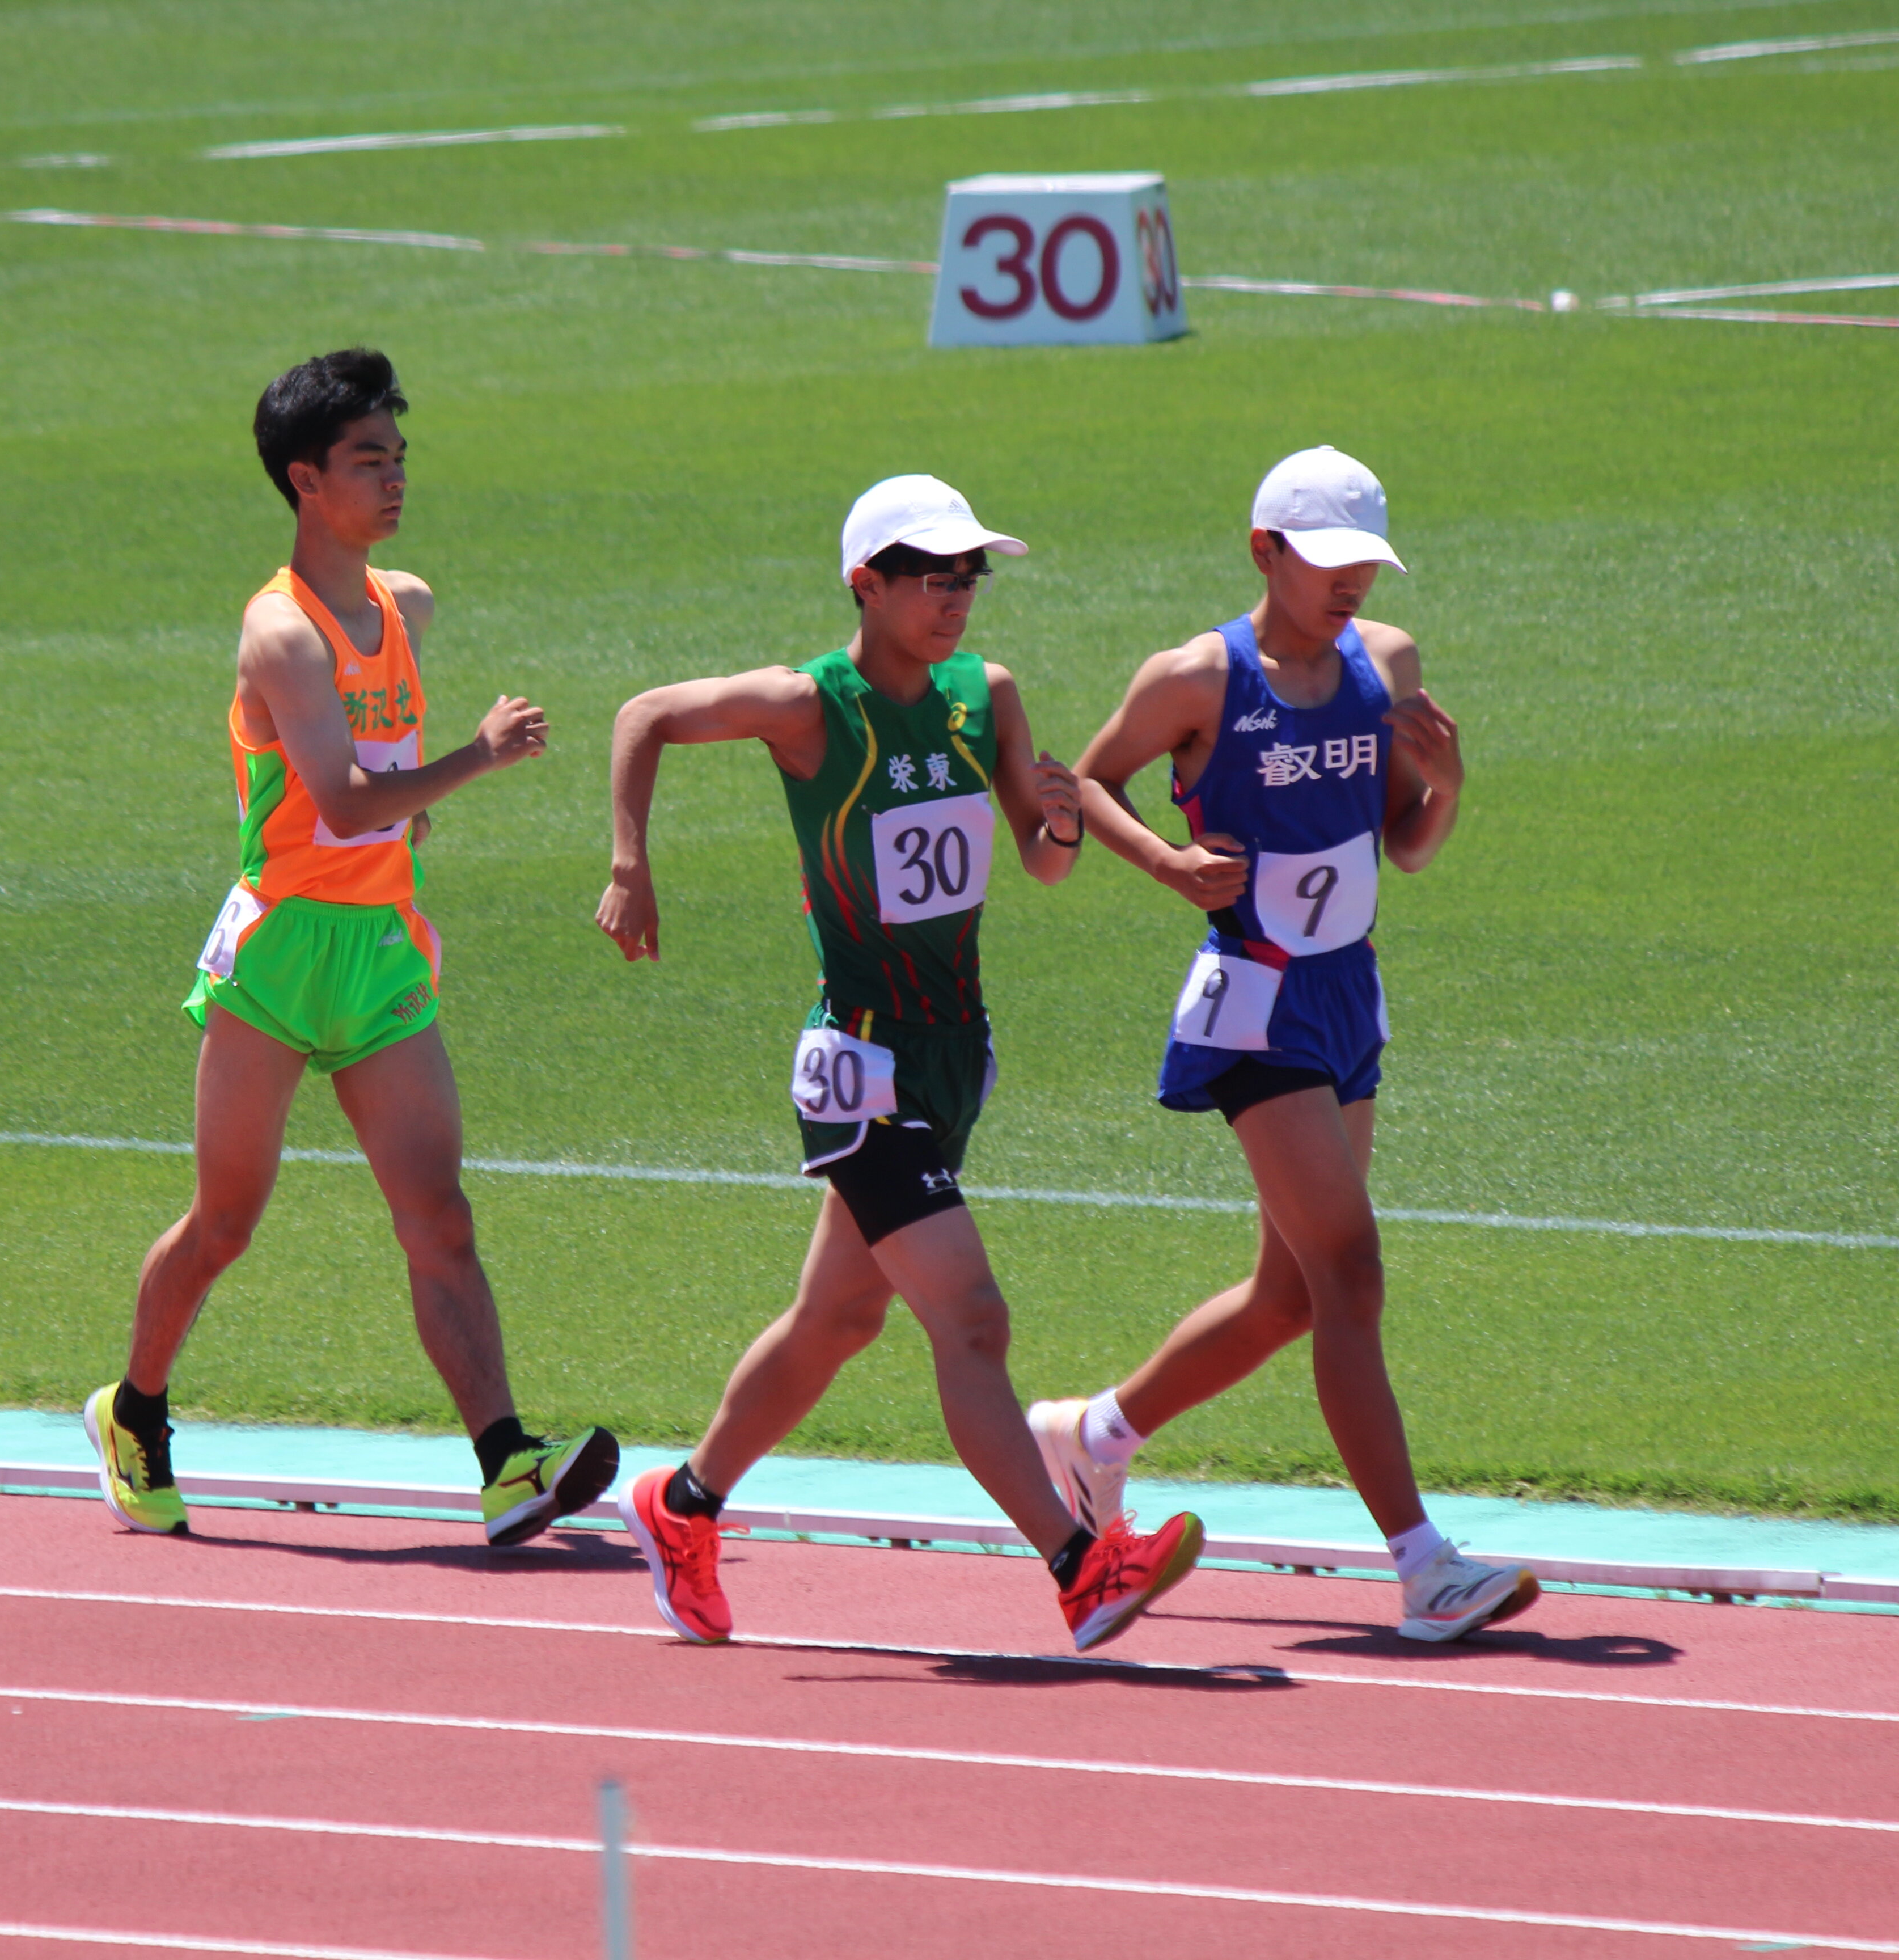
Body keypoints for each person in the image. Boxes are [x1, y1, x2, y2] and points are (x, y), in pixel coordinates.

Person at [596, 474, 1207, 1653]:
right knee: (971, 1321)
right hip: (859, 1066)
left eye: (972, 574)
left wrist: (1062, 817)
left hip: (953, 1059)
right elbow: (646, 715)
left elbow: (1043, 865)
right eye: (935, 577)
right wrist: (632, 863)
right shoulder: (809, 707)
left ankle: (681, 1506)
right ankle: (1083, 1569)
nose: (959, 599)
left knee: (834, 1322)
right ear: (865, 585)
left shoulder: (989, 696)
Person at [84, 348, 619, 1546]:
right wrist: (474, 757)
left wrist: (416, 801)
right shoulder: (282, 634)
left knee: (439, 1215)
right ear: (303, 479)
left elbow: (376, 789)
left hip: (379, 946)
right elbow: (334, 798)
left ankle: (506, 1463)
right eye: (368, 460)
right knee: (226, 1220)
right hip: (279, 959)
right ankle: (135, 1410)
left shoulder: (403, 606)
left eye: (399, 456)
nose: (394, 478)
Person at [1027, 445, 1538, 1642]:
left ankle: (1092, 1436)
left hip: (1349, 996)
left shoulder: (1388, 666)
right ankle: (1424, 1569)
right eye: (1326, 563)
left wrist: (1449, 790)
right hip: (1254, 1005)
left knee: (1289, 1295)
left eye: (1365, 562)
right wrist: (1166, 864)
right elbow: (1086, 779)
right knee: (1351, 1270)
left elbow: (1403, 846)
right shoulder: (1199, 678)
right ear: (1265, 551)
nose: (1349, 584)